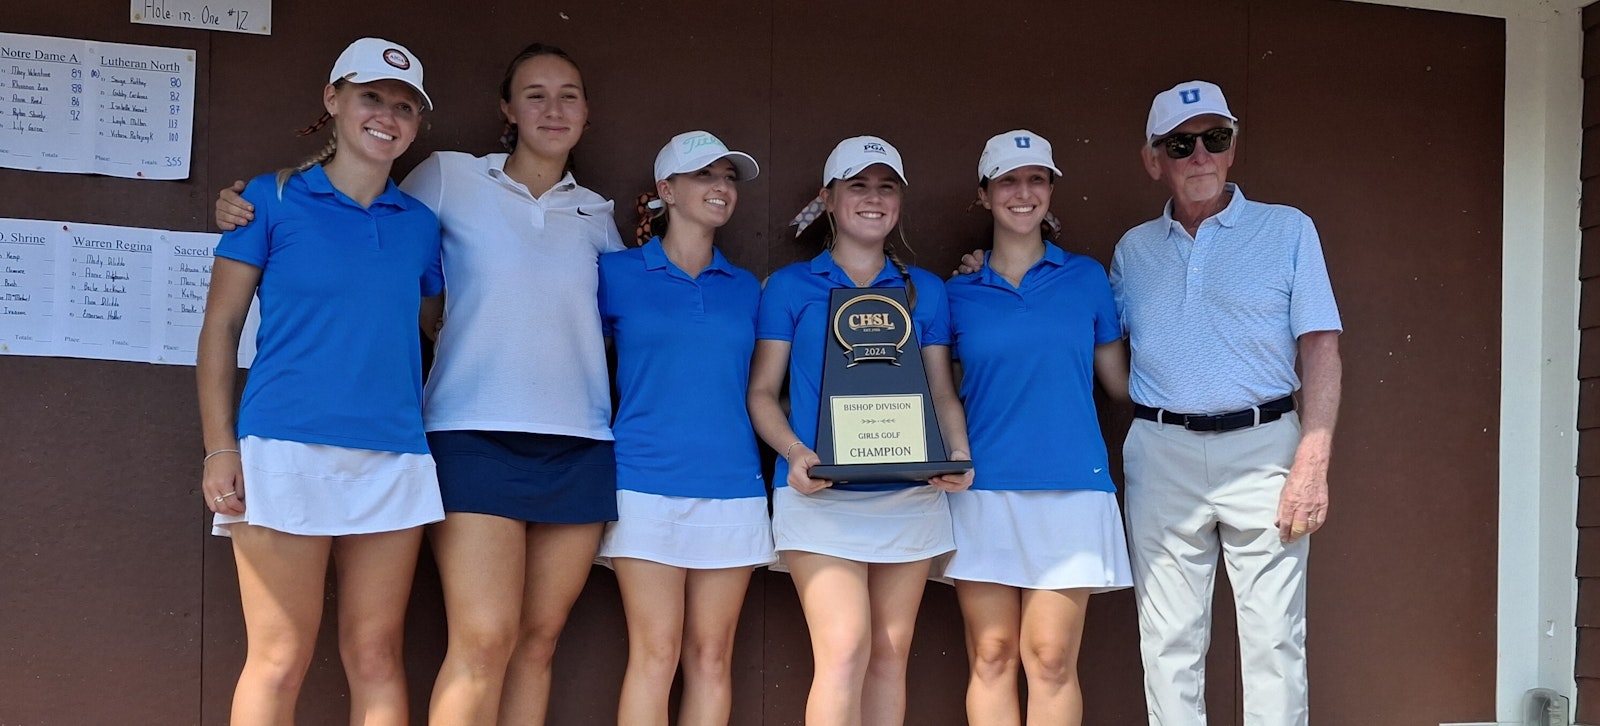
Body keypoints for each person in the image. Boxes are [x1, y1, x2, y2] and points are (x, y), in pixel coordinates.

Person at [216, 43, 626, 726]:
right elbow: (346, 206)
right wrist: (251, 200)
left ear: (588, 112)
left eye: (569, 94)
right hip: (456, 434)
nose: (553, 109)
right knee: (478, 638)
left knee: (526, 644)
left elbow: (622, 320)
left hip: (559, 442)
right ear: (506, 109)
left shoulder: (598, 216)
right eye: (534, 93)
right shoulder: (446, 179)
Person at [197, 37, 443, 726]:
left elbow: (433, 322)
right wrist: (220, 447)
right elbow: (220, 330)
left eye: (404, 107)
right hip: (284, 445)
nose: (387, 117)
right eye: (371, 98)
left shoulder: (421, 225)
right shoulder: (266, 202)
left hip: (394, 451)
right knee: (279, 657)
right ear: (333, 100)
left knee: (376, 656)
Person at [1109, 80, 1342, 726]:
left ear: (1233, 147)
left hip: (1266, 448)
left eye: (1215, 139)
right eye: (1181, 145)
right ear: (1154, 160)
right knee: (1168, 644)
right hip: (1162, 452)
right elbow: (1092, 333)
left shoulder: (1288, 230)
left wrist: (1312, 459)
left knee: (1273, 641)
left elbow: (1321, 349)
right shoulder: (1132, 252)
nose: (1201, 156)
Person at [746, 135, 974, 726]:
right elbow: (762, 394)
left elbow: (941, 389)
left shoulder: (926, 289)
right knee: (845, 649)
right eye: (857, 185)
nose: (873, 199)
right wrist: (794, 452)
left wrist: (957, 452)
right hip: (819, 494)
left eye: (886, 186)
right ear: (828, 198)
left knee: (890, 656)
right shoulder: (791, 287)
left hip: (909, 490)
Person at [942, 130, 1133, 726]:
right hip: (983, 488)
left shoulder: (1087, 279)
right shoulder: (954, 293)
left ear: (1050, 191)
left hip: (1073, 487)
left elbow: (1122, 386)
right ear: (984, 194)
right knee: (993, 655)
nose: (1023, 193)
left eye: (1037, 180)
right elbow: (940, 392)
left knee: (1050, 659)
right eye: (1008, 180)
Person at [597, 130, 775, 726]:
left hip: (733, 485)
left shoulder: (748, 289)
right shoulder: (614, 273)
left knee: (710, 657)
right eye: (704, 176)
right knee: (655, 654)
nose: (720, 188)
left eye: (728, 178)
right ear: (666, 191)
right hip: (644, 481)